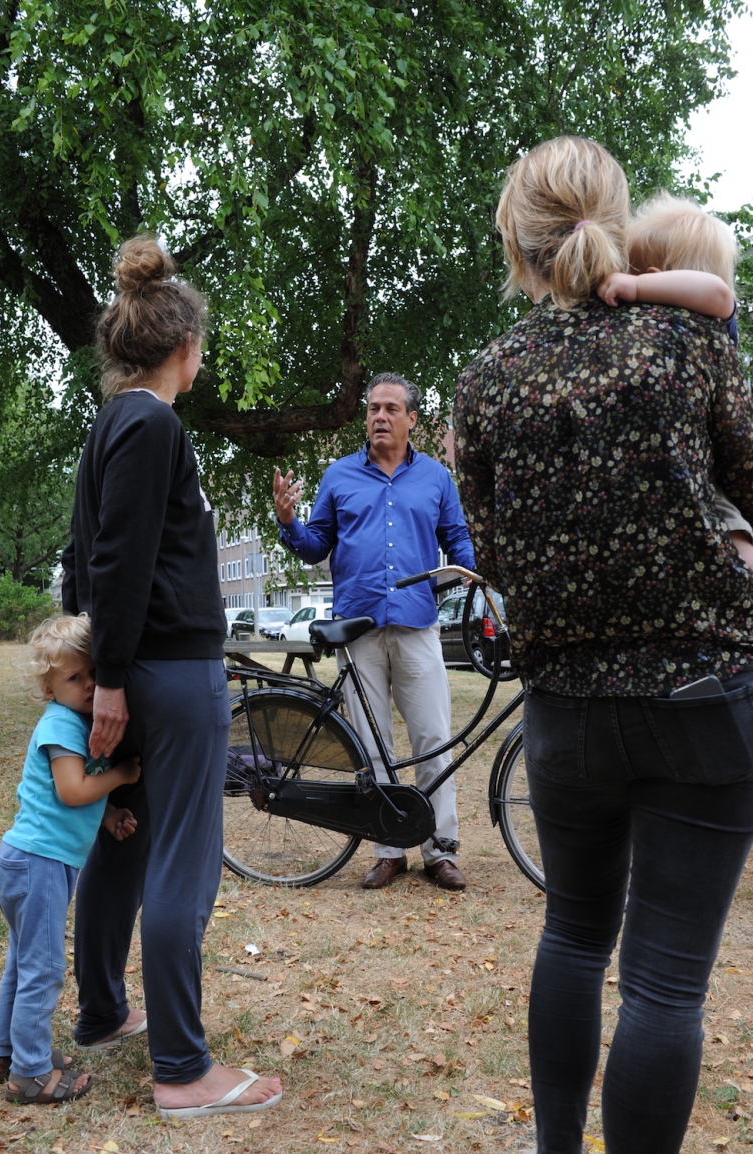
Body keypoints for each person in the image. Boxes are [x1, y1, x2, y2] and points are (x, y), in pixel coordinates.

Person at [453, 136, 753, 1154]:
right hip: (705, 695)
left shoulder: (486, 380)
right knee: (665, 979)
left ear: (518, 244)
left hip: (567, 715)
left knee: (573, 936)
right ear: (617, 221)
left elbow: (491, 546)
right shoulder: (690, 342)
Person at [62, 235, 282, 1118]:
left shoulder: (112, 422)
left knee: (124, 841)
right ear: (184, 347)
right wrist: (109, 680)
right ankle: (183, 1068)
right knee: (184, 863)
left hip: (134, 670)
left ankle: (104, 1013)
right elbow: (114, 559)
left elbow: (88, 561)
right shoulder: (153, 423)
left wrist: (105, 675)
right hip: (168, 673)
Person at [274, 372, 476, 891]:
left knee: (433, 738)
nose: (379, 417)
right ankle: (389, 848)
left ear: (412, 419)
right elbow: (316, 544)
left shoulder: (435, 478)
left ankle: (440, 850)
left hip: (416, 624)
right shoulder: (340, 476)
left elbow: (457, 539)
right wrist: (289, 522)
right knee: (372, 743)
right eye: (372, 409)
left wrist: (478, 574)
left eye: (390, 408)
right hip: (358, 628)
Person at [0, 615, 140, 1104]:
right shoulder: (60, 723)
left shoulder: (75, 721)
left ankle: (10, 1052)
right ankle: (30, 1074)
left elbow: (69, 799)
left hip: (28, 860)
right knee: (43, 967)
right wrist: (118, 776)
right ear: (47, 685)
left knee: (22, 962)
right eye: (74, 678)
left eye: (93, 673)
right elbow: (73, 789)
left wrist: (110, 814)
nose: (89, 684)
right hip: (40, 864)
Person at [597, 191, 753, 570]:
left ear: (654, 278)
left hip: (706, 471)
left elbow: (719, 292)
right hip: (673, 469)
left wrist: (636, 289)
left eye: (629, 275)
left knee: (734, 534)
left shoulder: (714, 315)